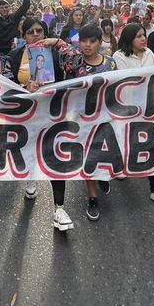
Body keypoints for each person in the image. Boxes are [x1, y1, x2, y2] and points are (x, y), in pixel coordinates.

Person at [3, 18, 78, 230]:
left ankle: (59, 209)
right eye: (30, 31)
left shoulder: (54, 51)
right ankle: (30, 178)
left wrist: (59, 43)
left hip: (52, 111)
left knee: (55, 155)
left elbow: (75, 62)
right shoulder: (15, 55)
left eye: (39, 30)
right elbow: (5, 80)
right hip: (25, 113)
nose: (35, 34)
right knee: (28, 150)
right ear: (23, 34)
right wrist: (23, 86)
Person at [112, 23, 154, 201]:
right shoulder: (119, 56)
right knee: (124, 140)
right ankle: (119, 165)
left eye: (144, 35)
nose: (143, 39)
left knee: (151, 143)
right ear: (129, 39)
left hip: (150, 106)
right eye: (138, 36)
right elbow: (127, 82)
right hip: (127, 108)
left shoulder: (149, 53)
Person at [59, 24, 117, 219]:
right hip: (81, 120)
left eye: (92, 41)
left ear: (100, 43)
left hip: (105, 119)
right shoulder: (73, 62)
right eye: (83, 41)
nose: (87, 45)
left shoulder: (111, 64)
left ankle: (102, 175)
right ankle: (92, 197)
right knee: (87, 158)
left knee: (103, 155)